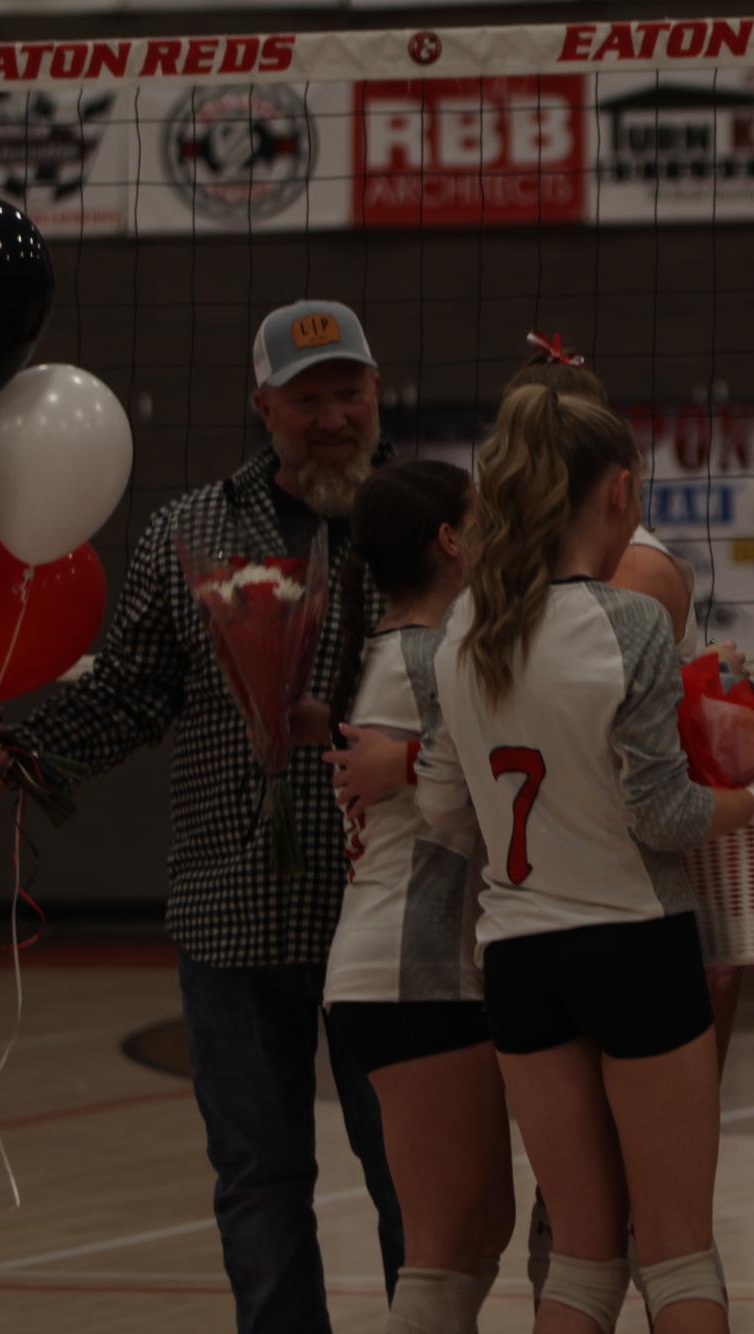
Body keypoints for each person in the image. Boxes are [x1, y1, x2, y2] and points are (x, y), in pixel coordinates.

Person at [0, 299, 404, 1333]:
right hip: (228, 904)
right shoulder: (187, 530)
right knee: (257, 1179)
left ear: (378, 393)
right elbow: (130, 690)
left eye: (350, 393)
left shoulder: (423, 520)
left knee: (411, 1179)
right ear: (263, 406)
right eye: (307, 400)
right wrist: (24, 753)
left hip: (386, 906)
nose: (333, 418)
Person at [415, 384, 754, 1334]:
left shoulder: (464, 633)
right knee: (678, 1251)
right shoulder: (628, 624)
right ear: (616, 490)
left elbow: (442, 805)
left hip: (519, 960)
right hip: (632, 946)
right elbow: (667, 816)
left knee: (579, 1257)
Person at [322, 460, 514, 1333]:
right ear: (449, 540)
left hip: (426, 972)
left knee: (479, 1232)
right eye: (481, 518)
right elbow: (480, 788)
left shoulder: (411, 653)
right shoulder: (427, 659)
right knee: (442, 1244)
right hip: (410, 972)